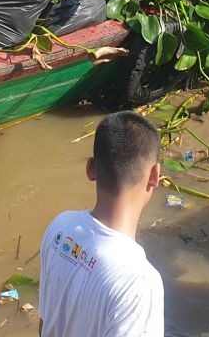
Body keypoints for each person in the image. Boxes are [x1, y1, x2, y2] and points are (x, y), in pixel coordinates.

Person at [39, 111, 164, 337]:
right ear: (154, 175)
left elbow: (44, 323)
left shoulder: (59, 228)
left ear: (91, 169)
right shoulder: (139, 281)